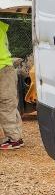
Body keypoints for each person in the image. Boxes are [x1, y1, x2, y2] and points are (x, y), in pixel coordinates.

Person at [0, 19, 23, 150]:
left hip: (3, 68)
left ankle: (14, 139)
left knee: (6, 103)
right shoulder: (1, 26)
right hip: (5, 68)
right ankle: (14, 136)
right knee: (9, 104)